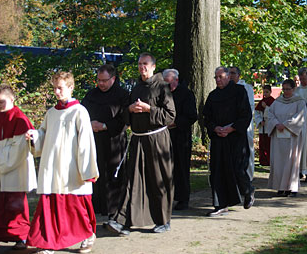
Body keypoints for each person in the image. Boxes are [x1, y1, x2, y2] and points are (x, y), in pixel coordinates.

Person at [26, 71, 99, 254]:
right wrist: (34, 136)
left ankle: (88, 234)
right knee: (50, 210)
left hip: (71, 170)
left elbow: (86, 142)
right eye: (55, 88)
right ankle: (47, 244)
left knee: (76, 208)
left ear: (71, 87)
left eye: (60, 88)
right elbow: (43, 134)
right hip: (52, 169)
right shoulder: (51, 113)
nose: (57, 92)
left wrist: (87, 170)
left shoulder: (79, 111)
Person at [107, 53, 175, 235]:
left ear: (153, 66)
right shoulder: (136, 88)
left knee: (159, 179)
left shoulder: (162, 87)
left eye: (145, 64)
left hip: (157, 141)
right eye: (139, 64)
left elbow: (170, 116)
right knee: (132, 180)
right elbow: (125, 114)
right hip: (138, 139)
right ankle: (123, 221)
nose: (141, 67)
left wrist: (149, 109)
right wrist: (129, 109)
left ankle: (163, 220)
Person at [203, 66, 255, 217]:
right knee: (218, 171)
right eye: (216, 77)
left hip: (235, 138)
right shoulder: (213, 96)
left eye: (220, 77)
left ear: (228, 77)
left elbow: (245, 115)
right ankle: (220, 204)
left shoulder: (240, 92)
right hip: (219, 139)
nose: (218, 80)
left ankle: (247, 191)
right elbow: (207, 117)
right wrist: (215, 128)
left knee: (238, 169)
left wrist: (231, 128)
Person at [81, 64, 129, 220]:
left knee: (113, 174)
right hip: (94, 140)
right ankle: (96, 206)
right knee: (96, 172)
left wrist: (105, 126)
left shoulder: (122, 95)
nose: (101, 84)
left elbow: (125, 119)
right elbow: (81, 114)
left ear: (113, 79)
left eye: (105, 80)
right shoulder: (91, 95)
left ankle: (115, 209)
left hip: (114, 140)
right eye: (99, 80)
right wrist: (90, 124)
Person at [0, 85, 36, 250]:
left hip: (15, 169)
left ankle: (21, 237)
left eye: (1, 102)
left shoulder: (20, 119)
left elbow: (19, 149)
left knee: (15, 204)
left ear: (12, 99)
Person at [163, 69, 197, 211]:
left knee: (181, 168)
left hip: (180, 136)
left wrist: (175, 122)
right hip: (164, 136)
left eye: (169, 83)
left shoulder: (186, 94)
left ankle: (183, 198)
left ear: (176, 80)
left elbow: (191, 115)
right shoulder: (162, 94)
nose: (166, 86)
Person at [267, 79, 307, 197]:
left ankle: (291, 187)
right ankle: (280, 186)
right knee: (278, 161)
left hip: (292, 136)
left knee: (291, 160)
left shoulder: (300, 102)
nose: (285, 92)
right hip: (278, 136)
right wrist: (276, 123)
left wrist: (285, 124)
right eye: (283, 89)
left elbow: (299, 117)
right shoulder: (277, 101)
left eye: (288, 89)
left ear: (294, 89)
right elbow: (270, 114)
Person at [229, 66, 255, 181]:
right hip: (229, 124)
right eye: (229, 73)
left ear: (239, 75)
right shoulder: (225, 88)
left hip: (244, 123)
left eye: (233, 73)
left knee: (246, 149)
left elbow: (249, 107)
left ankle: (247, 176)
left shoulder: (246, 88)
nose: (230, 76)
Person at [254, 85, 275, 166]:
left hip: (269, 126)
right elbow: (257, 113)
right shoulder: (261, 102)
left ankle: (269, 160)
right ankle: (263, 160)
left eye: (267, 92)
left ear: (270, 92)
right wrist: (259, 121)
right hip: (262, 126)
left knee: (269, 144)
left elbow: (273, 113)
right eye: (264, 92)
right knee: (262, 144)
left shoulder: (273, 102)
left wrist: (266, 107)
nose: (265, 94)